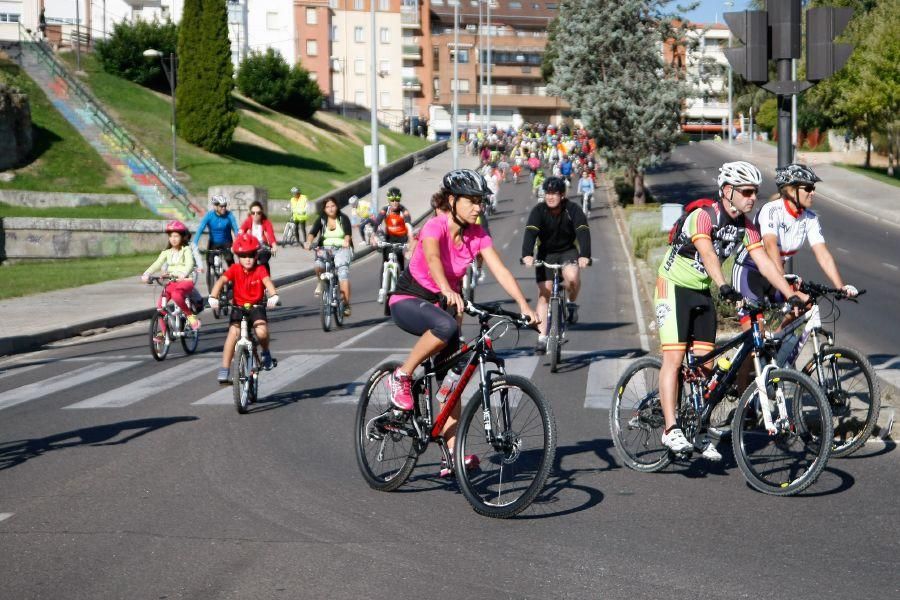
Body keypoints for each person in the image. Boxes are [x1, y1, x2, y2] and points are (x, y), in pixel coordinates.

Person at [387, 169, 540, 478]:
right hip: (408, 301)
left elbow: (501, 271)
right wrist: (445, 288)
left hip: (445, 307)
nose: (477, 207)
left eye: (480, 202)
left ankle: (451, 454)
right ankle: (401, 375)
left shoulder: (478, 235)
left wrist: (526, 307)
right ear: (453, 201)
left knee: (452, 381)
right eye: (471, 201)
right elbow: (431, 259)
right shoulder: (435, 226)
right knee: (445, 327)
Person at [655, 161, 808, 460]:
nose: (753, 198)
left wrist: (790, 294)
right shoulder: (703, 216)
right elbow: (708, 252)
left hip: (700, 291)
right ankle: (670, 428)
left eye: (755, 192)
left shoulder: (747, 226)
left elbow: (764, 262)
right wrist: (724, 285)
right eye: (747, 192)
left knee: (705, 365)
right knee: (673, 358)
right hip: (672, 286)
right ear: (728, 191)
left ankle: (696, 428)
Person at [732, 163, 858, 329]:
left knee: (807, 302)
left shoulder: (810, 218)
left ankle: (776, 339)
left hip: (775, 274)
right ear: (791, 190)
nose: (812, 192)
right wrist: (786, 284)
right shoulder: (772, 210)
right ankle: (760, 348)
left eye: (813, 188)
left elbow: (823, 255)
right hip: (749, 272)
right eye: (808, 188)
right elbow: (771, 247)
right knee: (756, 339)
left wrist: (840, 287)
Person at [521, 176, 591, 353]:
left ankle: (571, 302)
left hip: (567, 250)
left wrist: (585, 255)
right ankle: (542, 337)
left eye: (555, 194)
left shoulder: (572, 209)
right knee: (544, 293)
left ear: (562, 195)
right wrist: (527, 255)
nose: (551, 197)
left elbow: (582, 230)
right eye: (548, 193)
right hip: (546, 253)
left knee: (572, 277)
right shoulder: (539, 211)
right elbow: (530, 232)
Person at [208, 233, 280, 384]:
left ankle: (266, 353)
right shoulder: (234, 269)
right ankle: (225, 369)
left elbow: (267, 282)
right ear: (238, 256)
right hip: (238, 307)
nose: (248, 259)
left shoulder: (260, 269)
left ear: (256, 255)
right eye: (243, 255)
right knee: (233, 334)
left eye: (251, 255)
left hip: (256, 306)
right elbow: (221, 281)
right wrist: (213, 297)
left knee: (261, 331)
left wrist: (273, 295)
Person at [141, 220, 202, 332]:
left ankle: (190, 316)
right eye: (171, 236)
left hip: (185, 281)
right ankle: (164, 333)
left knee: (176, 295)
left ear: (182, 237)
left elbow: (190, 264)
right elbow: (157, 263)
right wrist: (147, 273)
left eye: (176, 236)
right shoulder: (166, 252)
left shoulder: (186, 250)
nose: (173, 239)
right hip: (172, 282)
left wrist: (184, 273)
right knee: (160, 306)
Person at [306, 196, 354, 316]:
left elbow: (348, 234)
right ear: (324, 209)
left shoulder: (343, 218)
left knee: (342, 272)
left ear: (337, 206)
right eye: (327, 207)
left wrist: (346, 241)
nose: (331, 209)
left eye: (333, 206)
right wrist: (308, 242)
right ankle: (320, 282)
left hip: (341, 249)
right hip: (325, 248)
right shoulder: (322, 219)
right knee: (318, 265)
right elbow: (312, 233)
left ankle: (346, 304)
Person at [373, 187, 412, 303]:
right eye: (392, 200)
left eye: (397, 199)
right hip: (389, 238)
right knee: (385, 263)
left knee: (401, 264)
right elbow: (377, 222)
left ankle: (402, 289)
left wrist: (410, 239)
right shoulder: (385, 210)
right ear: (389, 200)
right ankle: (381, 290)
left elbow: (408, 223)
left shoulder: (403, 211)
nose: (395, 202)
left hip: (401, 239)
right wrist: (373, 236)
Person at [192, 195, 239, 281]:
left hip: (227, 242)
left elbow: (236, 229)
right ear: (215, 206)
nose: (224, 208)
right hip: (213, 243)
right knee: (209, 264)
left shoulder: (229, 215)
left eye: (225, 205)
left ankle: (235, 283)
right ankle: (211, 291)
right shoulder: (209, 216)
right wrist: (194, 243)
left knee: (230, 261)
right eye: (221, 206)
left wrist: (239, 242)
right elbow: (200, 229)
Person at [239, 201, 278, 274]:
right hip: (251, 246)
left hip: (263, 246)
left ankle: (266, 280)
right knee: (244, 262)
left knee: (263, 261)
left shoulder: (266, 222)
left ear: (262, 213)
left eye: (258, 213)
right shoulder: (248, 221)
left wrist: (274, 245)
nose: (255, 215)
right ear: (250, 213)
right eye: (253, 213)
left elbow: (270, 235)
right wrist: (238, 244)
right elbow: (241, 233)